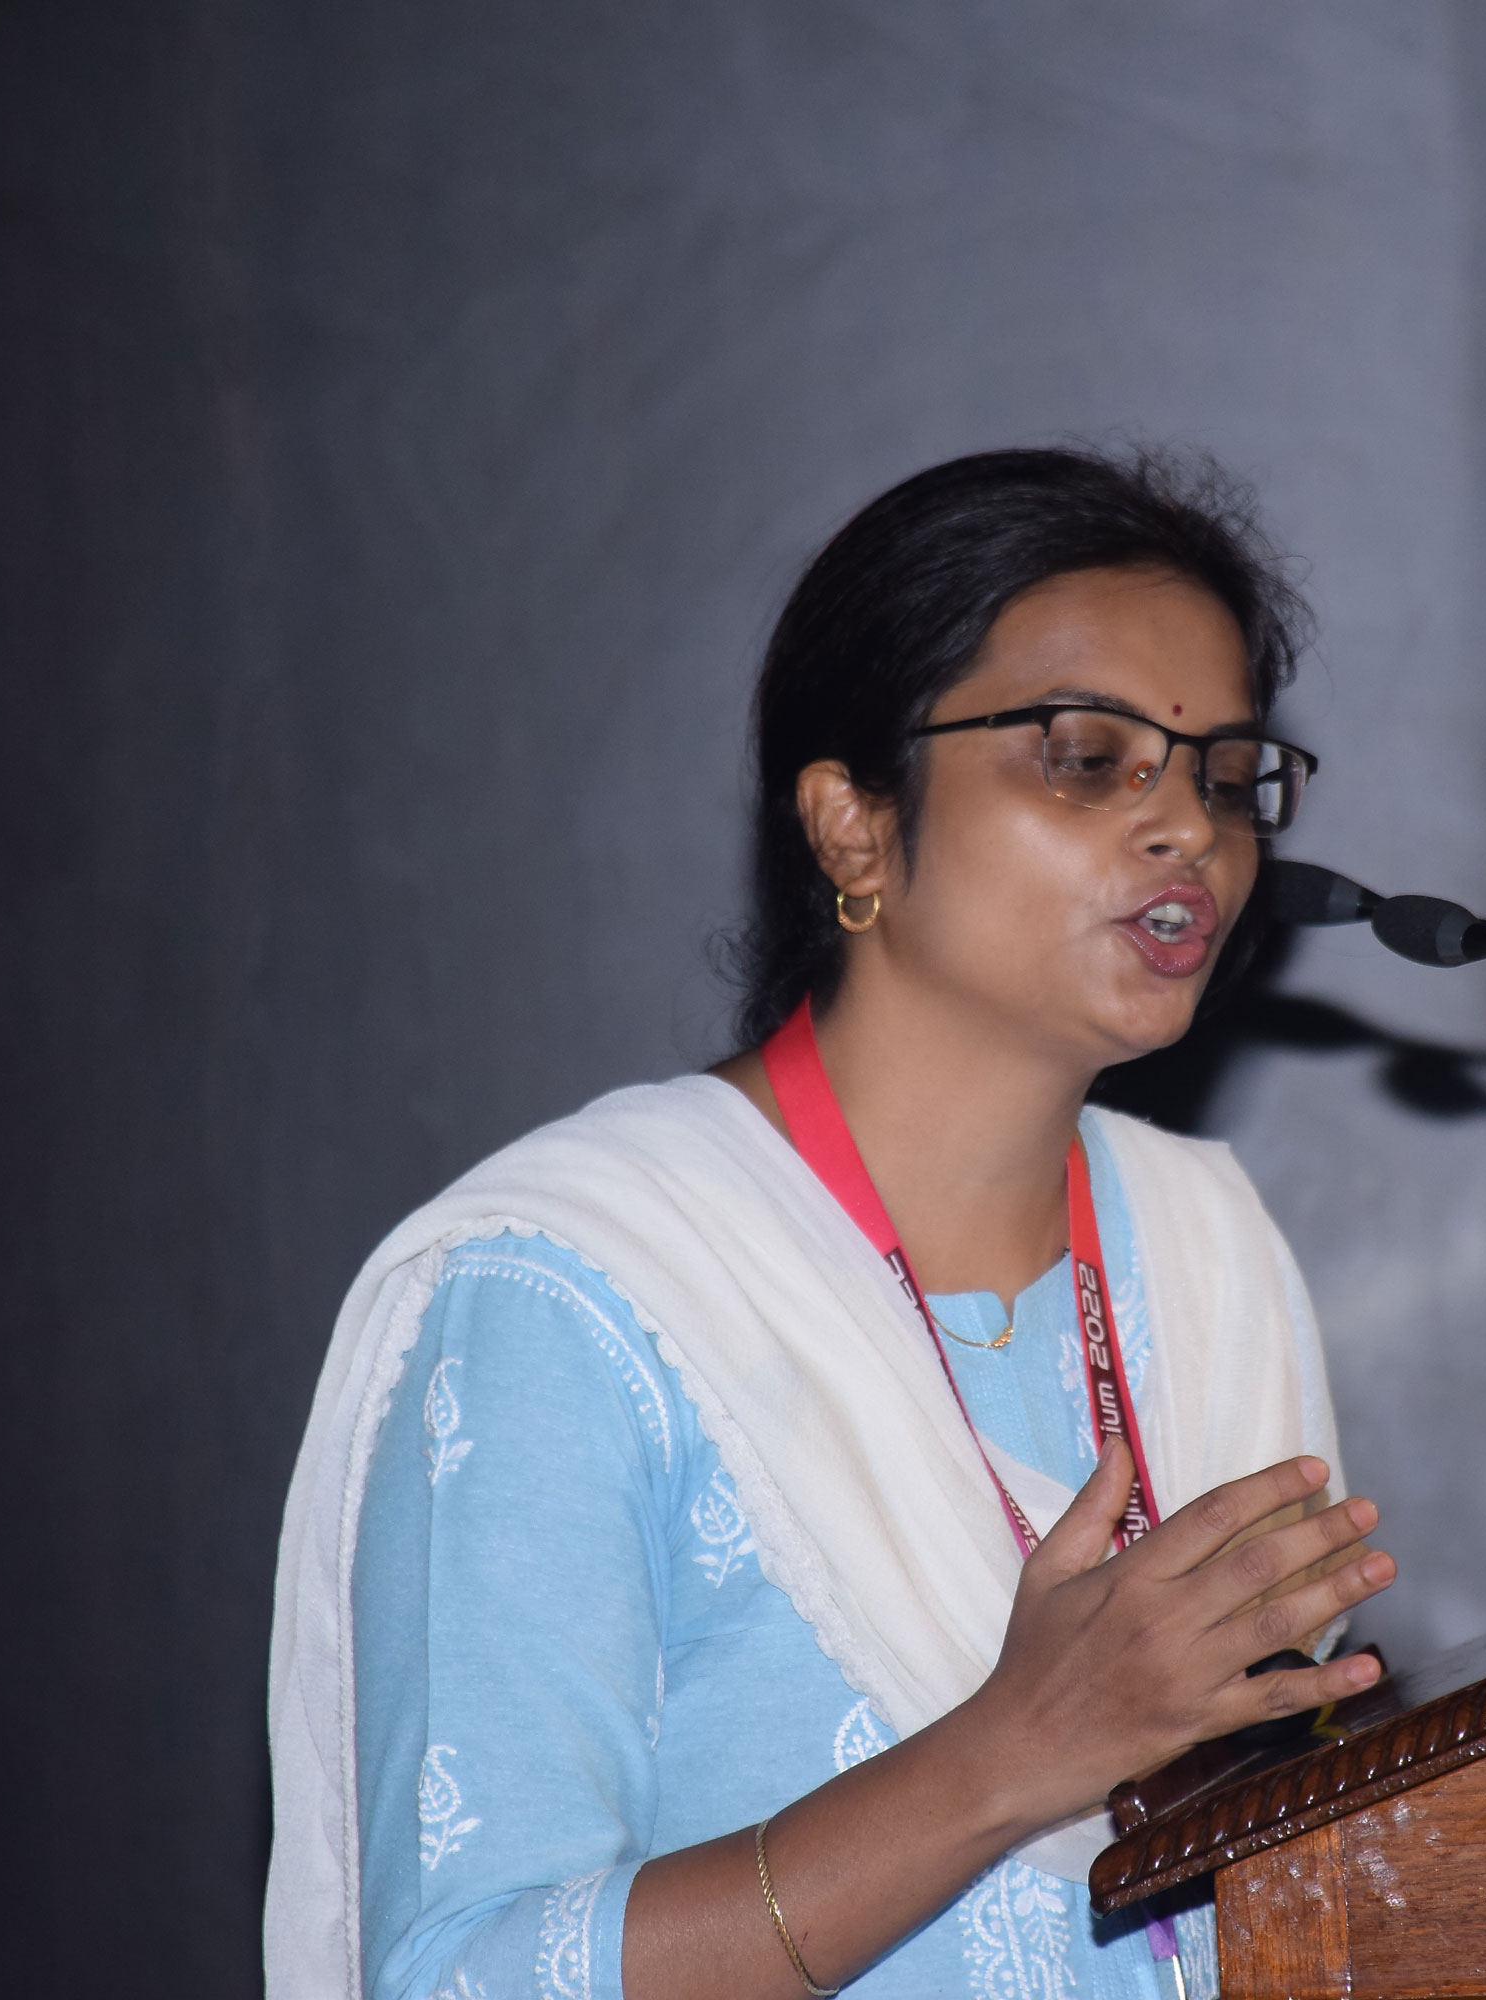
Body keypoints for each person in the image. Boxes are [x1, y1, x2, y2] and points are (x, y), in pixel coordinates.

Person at [267, 448, 1394, 2000]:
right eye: (1087, 758)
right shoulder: (572, 1292)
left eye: (1222, 776)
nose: (1187, 830)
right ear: (854, 825)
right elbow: (461, 1973)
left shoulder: (1210, 1253)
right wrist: (1011, 1753)